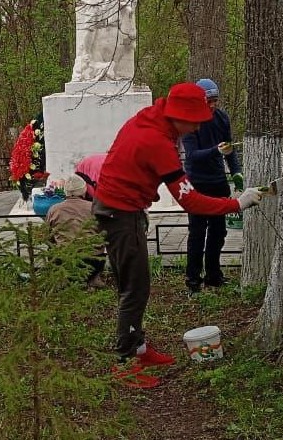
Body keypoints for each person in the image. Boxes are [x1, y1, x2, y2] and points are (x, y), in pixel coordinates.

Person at [92, 82, 264, 388]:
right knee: (135, 289)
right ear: (178, 115)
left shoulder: (150, 118)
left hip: (120, 209)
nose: (198, 126)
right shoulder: (157, 142)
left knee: (134, 285)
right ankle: (125, 362)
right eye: (195, 120)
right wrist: (237, 203)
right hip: (119, 215)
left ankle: (139, 347)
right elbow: (190, 200)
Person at [182, 78, 244, 293]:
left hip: (218, 182)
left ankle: (213, 275)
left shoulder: (222, 118)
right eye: (208, 101)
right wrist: (216, 151)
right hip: (197, 183)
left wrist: (235, 171)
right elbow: (192, 155)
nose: (212, 105)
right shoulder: (190, 122)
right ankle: (192, 279)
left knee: (219, 231)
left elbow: (230, 148)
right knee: (197, 232)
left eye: (215, 100)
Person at [45, 174, 106, 289]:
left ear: (66, 192)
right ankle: (93, 278)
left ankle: (62, 279)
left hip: (64, 260)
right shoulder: (94, 208)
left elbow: (47, 236)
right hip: (93, 261)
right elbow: (105, 232)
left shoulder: (54, 210)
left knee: (51, 247)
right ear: (84, 190)